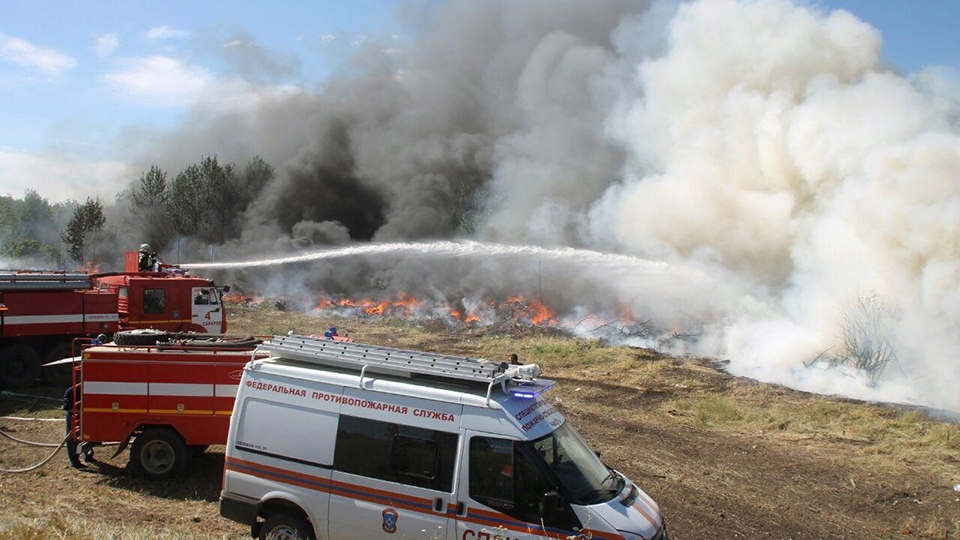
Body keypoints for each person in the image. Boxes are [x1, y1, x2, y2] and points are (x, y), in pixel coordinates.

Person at [62, 382, 84, 468]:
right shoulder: (71, 392)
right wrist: (80, 412)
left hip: (83, 417)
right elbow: (67, 406)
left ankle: (84, 456)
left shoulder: (86, 390)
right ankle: (74, 461)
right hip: (73, 418)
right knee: (72, 440)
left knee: (81, 441)